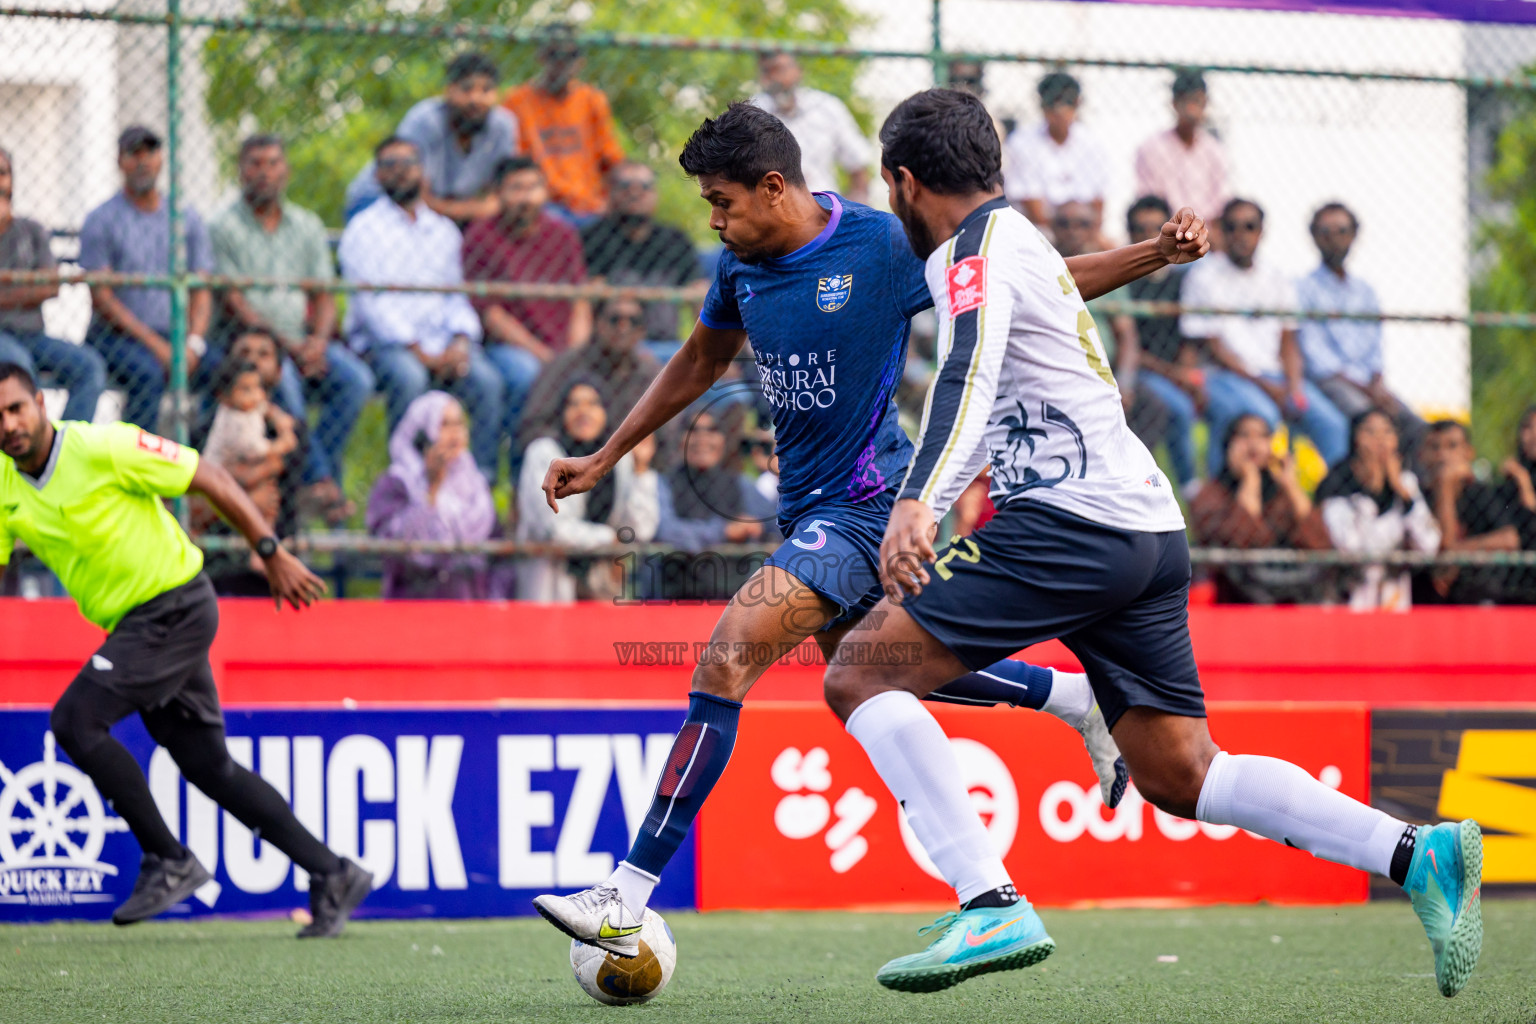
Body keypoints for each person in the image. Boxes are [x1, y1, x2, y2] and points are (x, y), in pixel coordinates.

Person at [816, 88, 1479, 997]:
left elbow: (966, 372)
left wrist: (916, 501)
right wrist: (1156, 254)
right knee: (1180, 771)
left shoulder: (968, 254)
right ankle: (1414, 852)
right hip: (1146, 528)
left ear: (901, 181)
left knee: (858, 670)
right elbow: (1058, 283)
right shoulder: (1013, 238)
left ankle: (987, 902)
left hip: (1067, 523)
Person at [530, 101, 1174, 955]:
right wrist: (608, 454)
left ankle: (627, 891)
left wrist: (1152, 254)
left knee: (727, 658)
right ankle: (1070, 697)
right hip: (807, 511)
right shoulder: (740, 266)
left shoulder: (880, 245)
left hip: (872, 508)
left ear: (773, 187)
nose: (714, 222)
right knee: (876, 667)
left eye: (723, 202)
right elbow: (698, 362)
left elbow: (1043, 281)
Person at [0, 361, 372, 935]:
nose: (8, 424)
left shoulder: (104, 447)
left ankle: (168, 860)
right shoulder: (5, 484)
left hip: (174, 607)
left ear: (41, 406)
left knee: (75, 721)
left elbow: (212, 478)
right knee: (209, 766)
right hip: (135, 625)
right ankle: (334, 871)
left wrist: (269, 551)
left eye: (15, 408)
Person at [210, 134, 373, 516]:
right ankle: (316, 481)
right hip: (246, 343)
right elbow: (235, 300)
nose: (263, 172)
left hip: (302, 340)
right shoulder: (223, 226)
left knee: (356, 381)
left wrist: (316, 341)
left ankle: (323, 474)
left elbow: (324, 294)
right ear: (240, 170)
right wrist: (286, 346)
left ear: (286, 170)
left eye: (272, 163)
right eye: (255, 164)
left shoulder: (306, 224)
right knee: (284, 380)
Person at [339, 136, 504, 479]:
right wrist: (419, 351)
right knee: (409, 378)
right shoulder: (363, 230)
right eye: (390, 165)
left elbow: (457, 296)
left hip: (443, 342)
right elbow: (372, 305)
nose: (401, 172)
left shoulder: (443, 231)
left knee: (487, 382)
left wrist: (460, 340)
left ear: (422, 171)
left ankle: (479, 485)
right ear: (378, 176)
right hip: (385, 345)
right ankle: (408, 481)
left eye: (408, 163)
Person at [1180, 198, 1348, 475]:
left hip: (1276, 378)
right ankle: (1231, 503)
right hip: (1224, 376)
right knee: (1262, 417)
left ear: (1261, 232)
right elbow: (1213, 348)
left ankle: (1338, 505)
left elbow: (1288, 341)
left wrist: (1293, 387)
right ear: (1221, 230)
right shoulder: (1203, 277)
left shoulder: (1276, 277)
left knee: (1331, 424)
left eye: (1249, 227)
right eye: (1232, 227)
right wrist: (1267, 387)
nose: (1241, 235)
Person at [79, 126, 213, 430]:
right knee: (147, 373)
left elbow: (202, 288)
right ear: (119, 161)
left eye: (150, 152)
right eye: (133, 153)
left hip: (177, 335)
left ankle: (202, 464)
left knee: (227, 369)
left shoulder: (185, 216)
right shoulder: (102, 219)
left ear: (161, 158)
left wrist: (192, 344)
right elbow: (102, 298)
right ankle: (137, 469)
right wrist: (158, 346)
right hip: (116, 337)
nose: (143, 161)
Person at [463, 155, 591, 455]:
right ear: (498, 193)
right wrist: (545, 357)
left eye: (533, 187)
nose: (526, 197)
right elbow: (491, 315)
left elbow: (580, 301)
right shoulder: (480, 237)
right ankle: (520, 479)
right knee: (527, 377)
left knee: (592, 379)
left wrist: (576, 354)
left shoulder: (563, 234)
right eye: (516, 188)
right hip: (508, 347)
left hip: (564, 346)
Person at [1297, 202, 1424, 458]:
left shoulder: (1366, 292)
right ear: (1314, 237)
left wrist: (1377, 384)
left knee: (1416, 427)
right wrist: (1369, 392)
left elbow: (1375, 348)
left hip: (1369, 383)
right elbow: (1318, 359)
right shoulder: (1302, 289)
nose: (1334, 239)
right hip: (1330, 382)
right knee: (1369, 420)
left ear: (1354, 235)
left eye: (1342, 231)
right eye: (1325, 231)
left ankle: (1406, 490)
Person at [516, 379, 658, 602]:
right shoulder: (545, 453)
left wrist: (641, 471)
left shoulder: (618, 460)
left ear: (606, 413)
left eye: (593, 404)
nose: (583, 411)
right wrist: (610, 539)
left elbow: (642, 529)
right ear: (561, 414)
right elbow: (554, 530)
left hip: (602, 584)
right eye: (574, 404)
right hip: (553, 580)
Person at [1051, 200, 1169, 464]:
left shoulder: (1106, 267)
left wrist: (1124, 382)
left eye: (1082, 224)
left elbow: (1127, 336)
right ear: (1052, 227)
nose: (1073, 230)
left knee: (1154, 405)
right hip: (1057, 372)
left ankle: (1132, 471)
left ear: (1095, 228)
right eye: (1064, 223)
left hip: (1105, 373)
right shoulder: (1040, 265)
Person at [344, 52, 520, 224]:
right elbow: (414, 193)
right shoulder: (426, 120)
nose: (475, 98)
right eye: (466, 89)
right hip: (382, 198)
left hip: (442, 209)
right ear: (449, 90)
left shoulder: (503, 126)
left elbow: (502, 195)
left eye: (486, 90)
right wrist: (476, 209)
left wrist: (469, 210)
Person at [0, 146, 106, 422]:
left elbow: (51, 286)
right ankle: (21, 455)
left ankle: (62, 450)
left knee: (90, 367)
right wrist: (27, 292)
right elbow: (40, 286)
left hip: (32, 335)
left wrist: (6, 294)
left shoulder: (31, 230)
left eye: (3, 173)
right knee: (19, 372)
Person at [366, 391, 496, 600]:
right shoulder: (397, 483)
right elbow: (395, 547)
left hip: (468, 602)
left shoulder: (475, 484)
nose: (454, 434)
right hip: (413, 601)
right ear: (422, 433)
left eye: (459, 424)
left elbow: (489, 548)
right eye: (444, 424)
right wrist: (431, 487)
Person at [1190, 414, 1332, 604]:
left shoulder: (1281, 494)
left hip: (1289, 592)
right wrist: (1250, 481)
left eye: (1262, 436)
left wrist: (1290, 485)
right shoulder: (1211, 494)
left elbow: (1319, 542)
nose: (1253, 444)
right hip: (1232, 597)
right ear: (1228, 446)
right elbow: (1243, 543)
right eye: (1244, 435)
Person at [195, 358, 305, 597]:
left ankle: (265, 547)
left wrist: (278, 418)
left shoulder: (248, 405)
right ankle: (261, 551)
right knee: (262, 491)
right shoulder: (233, 419)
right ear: (224, 397)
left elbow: (265, 407)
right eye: (246, 390)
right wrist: (283, 443)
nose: (255, 396)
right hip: (221, 474)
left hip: (244, 473)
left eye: (258, 388)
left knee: (268, 496)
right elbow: (256, 449)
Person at [1315, 409, 1440, 611]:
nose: (1379, 441)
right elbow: (1352, 548)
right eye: (1370, 432)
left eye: (1387, 432)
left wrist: (1404, 496)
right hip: (1349, 601)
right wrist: (1372, 490)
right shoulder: (1337, 485)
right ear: (1355, 439)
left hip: (1394, 602)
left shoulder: (1406, 483)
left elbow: (1428, 544)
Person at [580, 162, 709, 356]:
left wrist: (709, 351)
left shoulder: (674, 239)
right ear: (610, 193)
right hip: (610, 350)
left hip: (667, 345)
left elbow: (699, 291)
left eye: (644, 187)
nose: (635, 193)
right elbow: (583, 299)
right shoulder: (593, 238)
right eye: (625, 186)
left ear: (655, 195)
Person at [1116, 196, 1200, 495]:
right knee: (1177, 407)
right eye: (1141, 228)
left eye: (1157, 226)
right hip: (1141, 370)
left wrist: (1186, 372)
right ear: (1129, 234)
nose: (1150, 234)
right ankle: (1190, 487)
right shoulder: (1124, 279)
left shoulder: (1184, 279)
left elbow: (1191, 335)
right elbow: (1130, 347)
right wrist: (1173, 374)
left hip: (1177, 370)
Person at [649, 407, 776, 601]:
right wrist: (724, 531)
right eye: (694, 430)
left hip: (730, 599)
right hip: (675, 596)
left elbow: (777, 526)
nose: (703, 439)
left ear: (723, 440)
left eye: (712, 430)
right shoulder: (664, 482)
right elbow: (665, 530)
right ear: (681, 440)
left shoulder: (739, 484)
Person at [502, 27, 626, 219]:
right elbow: (513, 162)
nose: (560, 63)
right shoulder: (516, 102)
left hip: (590, 204)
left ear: (580, 62)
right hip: (541, 206)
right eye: (554, 54)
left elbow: (612, 159)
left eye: (569, 56)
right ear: (541, 57)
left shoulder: (591, 100)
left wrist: (610, 202)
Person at [515, 293, 662, 455]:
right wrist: (577, 440)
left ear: (642, 330)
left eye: (633, 321)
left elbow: (668, 438)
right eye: (615, 319)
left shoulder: (650, 374)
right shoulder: (567, 365)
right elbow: (533, 426)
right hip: (568, 462)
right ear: (598, 323)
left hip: (625, 465)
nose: (623, 328)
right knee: (542, 449)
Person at [1415, 419, 1520, 605]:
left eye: (1452, 446)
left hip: (1475, 593)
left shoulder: (1478, 492)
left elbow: (1509, 538)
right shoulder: (1416, 495)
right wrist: (1445, 489)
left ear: (1468, 453)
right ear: (1421, 454)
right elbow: (1443, 543)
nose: (1442, 455)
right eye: (1435, 447)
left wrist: (1457, 551)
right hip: (1426, 597)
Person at [751, 51, 871, 202]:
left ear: (798, 71)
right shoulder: (753, 112)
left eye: (779, 69)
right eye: (767, 72)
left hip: (824, 209)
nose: (775, 79)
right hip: (772, 210)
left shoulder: (826, 108)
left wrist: (852, 213)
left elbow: (858, 164)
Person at [1003, 72, 1109, 238]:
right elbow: (1030, 205)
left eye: (1066, 103)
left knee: (1109, 249)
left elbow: (1098, 203)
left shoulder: (1092, 143)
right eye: (1052, 104)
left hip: (1084, 233)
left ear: (1077, 104)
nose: (1059, 111)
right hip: (1038, 232)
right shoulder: (1021, 142)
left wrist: (1087, 234)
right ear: (1042, 106)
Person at [1134, 68, 1230, 227]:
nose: (1191, 109)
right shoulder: (1151, 148)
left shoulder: (1215, 151)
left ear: (1205, 103)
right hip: (1164, 233)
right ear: (1174, 103)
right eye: (1186, 101)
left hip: (1205, 236)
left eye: (1197, 101)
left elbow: (1220, 206)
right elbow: (1148, 204)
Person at [1496, 405, 1536, 603]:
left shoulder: (1520, 478)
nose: (1533, 435)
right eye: (1528, 427)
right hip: (1515, 581)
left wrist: (1524, 481)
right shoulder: (1511, 481)